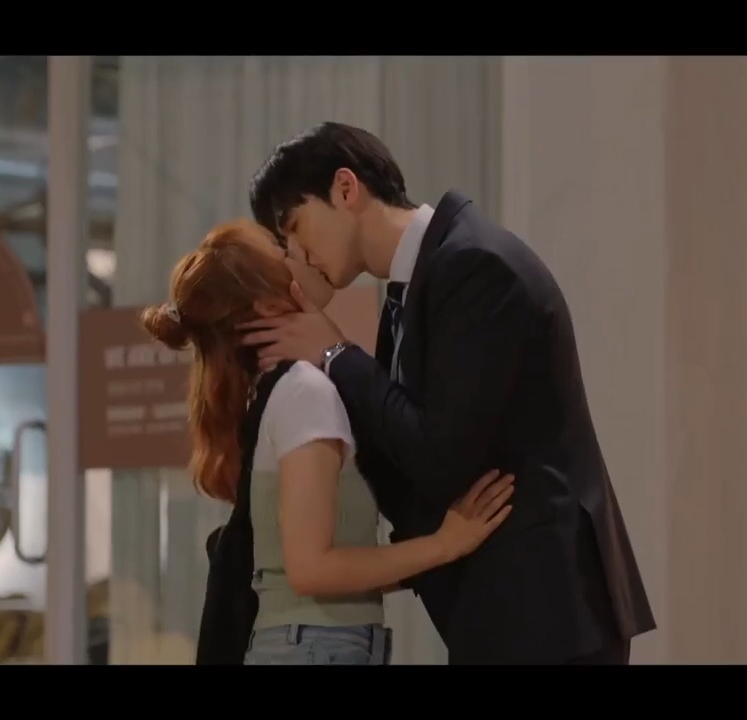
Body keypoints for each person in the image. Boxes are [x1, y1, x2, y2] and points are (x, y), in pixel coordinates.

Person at [241, 122, 656, 665]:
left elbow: (440, 455)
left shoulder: (474, 265)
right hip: (508, 609)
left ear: (345, 188)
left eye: (295, 228)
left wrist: (336, 352)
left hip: (548, 611)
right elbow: (404, 453)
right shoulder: (414, 290)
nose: (297, 254)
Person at [140, 219, 514, 665]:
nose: (301, 254)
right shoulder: (304, 392)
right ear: (269, 303)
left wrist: (441, 553)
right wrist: (443, 545)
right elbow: (312, 570)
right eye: (284, 254)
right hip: (316, 648)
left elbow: (318, 572)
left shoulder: (279, 391)